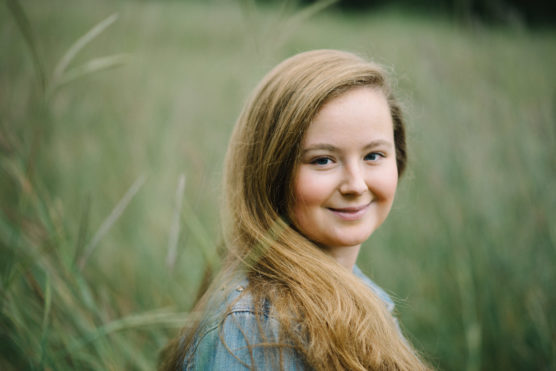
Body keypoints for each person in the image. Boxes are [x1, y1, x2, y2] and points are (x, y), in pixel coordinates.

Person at [159, 49, 430, 370]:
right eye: (323, 160)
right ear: (272, 173)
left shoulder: (364, 294)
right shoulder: (257, 325)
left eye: (373, 155)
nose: (356, 185)